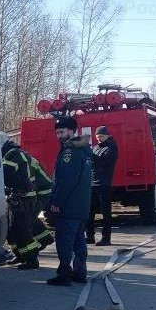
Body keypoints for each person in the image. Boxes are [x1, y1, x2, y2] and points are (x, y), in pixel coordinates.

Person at [47, 116, 93, 286]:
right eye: (57, 132)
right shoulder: (84, 149)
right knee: (79, 240)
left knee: (65, 241)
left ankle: (64, 274)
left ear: (72, 131)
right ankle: (80, 272)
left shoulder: (70, 151)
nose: (59, 135)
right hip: (82, 205)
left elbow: (66, 181)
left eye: (62, 131)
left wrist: (56, 202)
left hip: (69, 206)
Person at [1, 136, 54, 270]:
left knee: (22, 226)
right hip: (33, 193)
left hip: (37, 193)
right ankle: (38, 243)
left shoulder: (14, 157)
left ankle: (31, 258)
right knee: (20, 224)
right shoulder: (16, 155)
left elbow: (7, 175)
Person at [87, 125, 118, 246]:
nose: (99, 138)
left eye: (101, 136)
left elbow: (102, 161)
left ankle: (106, 238)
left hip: (104, 183)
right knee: (89, 211)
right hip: (92, 183)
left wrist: (89, 153)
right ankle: (89, 236)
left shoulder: (112, 148)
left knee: (105, 212)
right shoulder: (95, 148)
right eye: (97, 136)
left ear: (107, 136)